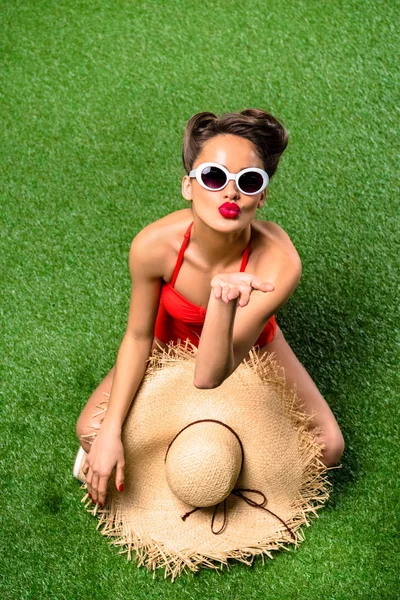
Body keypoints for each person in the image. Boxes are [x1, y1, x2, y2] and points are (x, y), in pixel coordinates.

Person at [75, 109, 345, 507]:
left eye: (248, 182)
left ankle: (220, 454)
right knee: (91, 430)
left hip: (247, 350)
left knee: (328, 449)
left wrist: (223, 300)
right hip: (168, 345)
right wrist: (111, 430)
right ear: (189, 186)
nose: (230, 193)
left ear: (262, 195)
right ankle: (189, 450)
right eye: (214, 177)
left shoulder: (279, 262)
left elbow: (209, 374)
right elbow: (138, 336)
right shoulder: (154, 246)